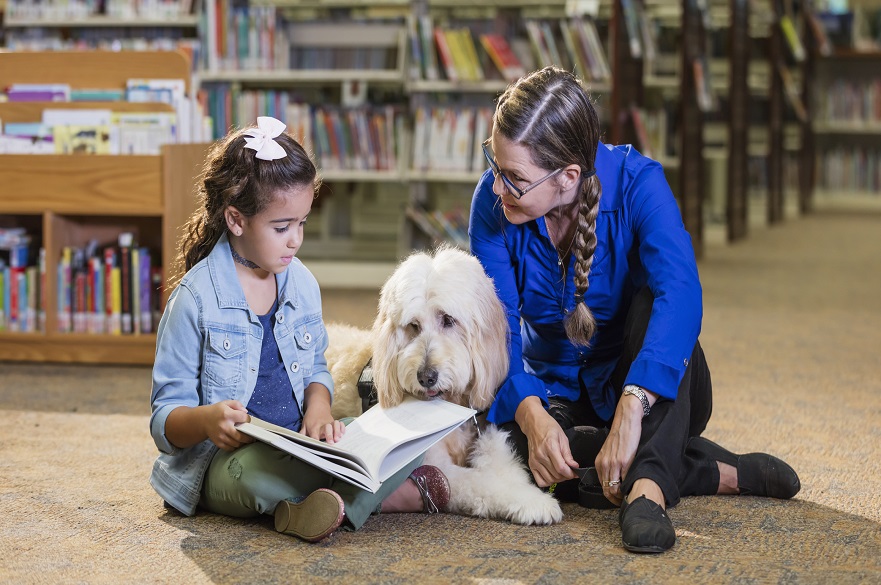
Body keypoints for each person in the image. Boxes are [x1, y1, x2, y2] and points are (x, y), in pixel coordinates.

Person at [469, 67, 800, 553]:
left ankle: (647, 494)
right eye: (495, 167)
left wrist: (633, 403)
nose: (497, 189)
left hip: (652, 384)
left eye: (513, 178)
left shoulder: (639, 183)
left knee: (652, 307)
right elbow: (497, 325)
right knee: (510, 457)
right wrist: (531, 413)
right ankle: (706, 470)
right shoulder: (492, 203)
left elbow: (681, 293)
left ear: (568, 177)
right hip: (554, 388)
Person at [149, 116, 450, 543]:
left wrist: (320, 409)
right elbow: (164, 420)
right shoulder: (194, 300)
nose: (296, 240)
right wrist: (206, 420)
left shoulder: (302, 283)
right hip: (225, 462)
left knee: (396, 428)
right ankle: (377, 499)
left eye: (302, 223)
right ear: (235, 220)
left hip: (299, 443)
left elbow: (315, 369)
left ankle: (307, 508)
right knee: (253, 477)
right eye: (281, 227)